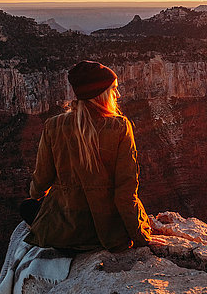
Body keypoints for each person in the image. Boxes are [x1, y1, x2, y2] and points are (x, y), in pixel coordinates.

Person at [22, 60, 164, 252]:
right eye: (113, 89)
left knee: (27, 207)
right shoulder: (120, 126)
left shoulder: (53, 126)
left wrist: (45, 203)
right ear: (101, 94)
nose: (118, 94)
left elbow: (39, 184)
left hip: (64, 233)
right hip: (106, 233)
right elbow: (125, 191)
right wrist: (140, 236)